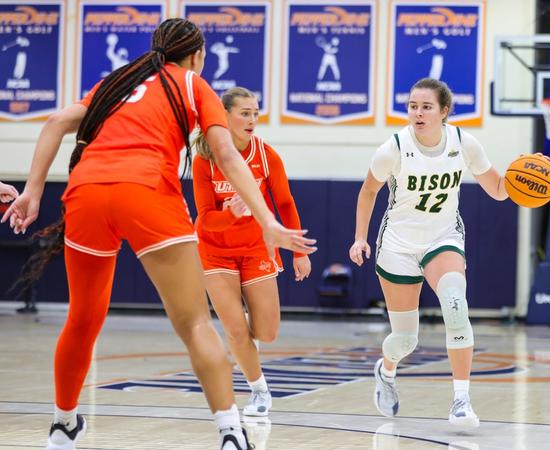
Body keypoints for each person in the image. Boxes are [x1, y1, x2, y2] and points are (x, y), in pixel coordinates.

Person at [0, 18, 315, 450]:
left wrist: (33, 192)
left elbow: (56, 121)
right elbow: (225, 153)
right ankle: (230, 431)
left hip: (86, 191)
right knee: (194, 322)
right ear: (197, 55)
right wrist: (268, 222)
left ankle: (62, 425)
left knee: (82, 319)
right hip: (147, 190)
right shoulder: (191, 84)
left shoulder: (118, 82)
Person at [349, 78, 547, 428]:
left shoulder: (464, 143)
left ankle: (461, 401)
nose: (418, 113)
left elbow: (498, 190)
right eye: (413, 106)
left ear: (444, 111)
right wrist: (359, 238)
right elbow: (368, 192)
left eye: (426, 107)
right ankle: (387, 369)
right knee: (405, 340)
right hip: (398, 244)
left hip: (443, 237)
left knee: (456, 304)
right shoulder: (393, 148)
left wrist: (525, 171)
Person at [192, 86, 311, 418]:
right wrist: (231, 212)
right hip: (215, 251)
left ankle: (243, 331)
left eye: (255, 114)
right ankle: (259, 390)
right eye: (245, 113)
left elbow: (285, 203)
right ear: (225, 116)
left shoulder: (266, 155)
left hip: (256, 247)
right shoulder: (204, 160)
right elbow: (205, 219)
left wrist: (299, 252)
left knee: (267, 332)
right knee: (235, 330)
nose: (252, 120)